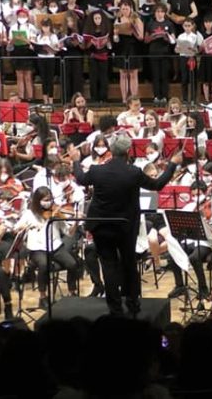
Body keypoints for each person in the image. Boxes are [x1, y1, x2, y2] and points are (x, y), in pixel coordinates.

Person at [70, 135, 182, 316]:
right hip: (125, 227)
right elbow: (158, 185)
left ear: (111, 152)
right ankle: (132, 303)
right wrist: (173, 164)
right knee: (129, 264)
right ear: (128, 152)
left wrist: (75, 161)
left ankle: (114, 308)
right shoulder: (134, 172)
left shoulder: (97, 171)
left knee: (108, 265)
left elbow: (81, 179)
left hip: (102, 226)